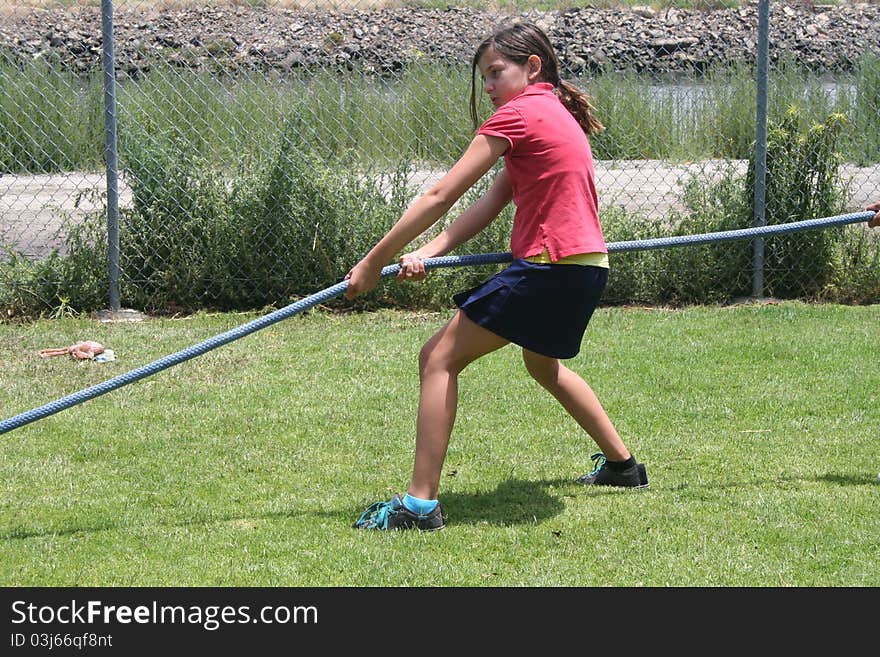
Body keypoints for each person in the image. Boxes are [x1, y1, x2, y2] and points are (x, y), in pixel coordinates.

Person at [344, 21, 648, 531]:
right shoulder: (553, 113)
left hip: (550, 268)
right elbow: (490, 202)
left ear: (533, 67)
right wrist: (429, 251)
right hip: (585, 269)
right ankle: (623, 467)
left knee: (437, 357)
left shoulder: (521, 113)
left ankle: (418, 506)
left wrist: (373, 261)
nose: (487, 88)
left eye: (494, 73)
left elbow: (440, 194)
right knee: (543, 367)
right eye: (483, 78)